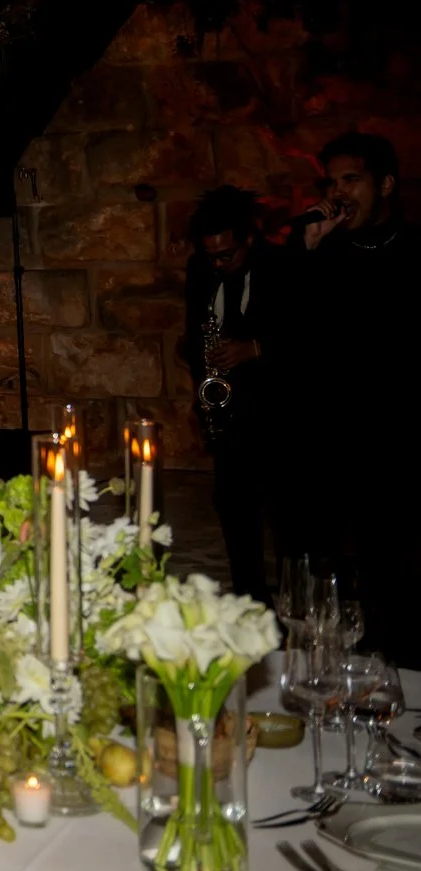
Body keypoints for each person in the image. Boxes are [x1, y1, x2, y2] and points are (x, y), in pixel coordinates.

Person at [293, 132, 418, 659]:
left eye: (352, 179)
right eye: (332, 182)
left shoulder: (412, 248)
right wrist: (309, 250)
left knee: (397, 581)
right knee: (333, 573)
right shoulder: (325, 253)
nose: (338, 192)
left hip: (398, 444)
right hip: (334, 442)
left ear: (384, 184)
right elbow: (290, 333)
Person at [180, 186, 284, 601]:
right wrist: (202, 398)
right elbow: (194, 334)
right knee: (234, 513)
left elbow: (310, 334)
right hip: (228, 412)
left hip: (278, 411)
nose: (219, 264)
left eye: (227, 255)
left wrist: (254, 348)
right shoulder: (200, 270)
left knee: (286, 521)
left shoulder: (279, 265)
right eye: (212, 256)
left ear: (249, 239)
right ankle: (250, 606)